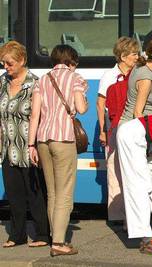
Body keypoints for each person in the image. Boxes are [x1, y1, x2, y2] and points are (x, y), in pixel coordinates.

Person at [28, 44, 88, 257]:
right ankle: (59, 243)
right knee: (64, 193)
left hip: (42, 139)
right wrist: (83, 100)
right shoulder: (76, 78)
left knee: (52, 192)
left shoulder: (42, 80)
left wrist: (30, 144)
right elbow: (81, 108)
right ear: (70, 61)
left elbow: (34, 115)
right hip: (63, 139)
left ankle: (55, 234)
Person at [117, 38, 152, 255]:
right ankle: (145, 239)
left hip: (143, 134)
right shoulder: (146, 76)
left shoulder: (141, 70)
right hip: (136, 134)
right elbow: (138, 112)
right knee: (139, 185)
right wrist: (150, 141)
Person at [0, 41, 49, 248]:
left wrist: (36, 145)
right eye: (3, 63)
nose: (6, 67)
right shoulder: (2, 82)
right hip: (7, 148)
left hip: (29, 147)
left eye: (9, 63)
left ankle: (42, 234)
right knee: (14, 194)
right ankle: (17, 235)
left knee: (35, 193)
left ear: (21, 60)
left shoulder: (35, 83)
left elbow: (42, 116)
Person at [96, 37, 139, 223]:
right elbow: (100, 104)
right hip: (114, 127)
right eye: (134, 54)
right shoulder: (109, 76)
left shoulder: (137, 74)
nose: (138, 57)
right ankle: (119, 216)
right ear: (123, 56)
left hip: (133, 126)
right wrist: (103, 130)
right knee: (115, 171)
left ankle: (133, 214)